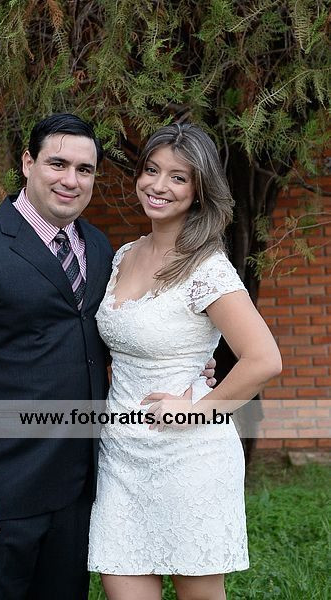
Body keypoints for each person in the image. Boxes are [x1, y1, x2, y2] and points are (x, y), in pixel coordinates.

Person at [0, 113, 216, 600]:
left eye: (85, 169)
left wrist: (185, 365)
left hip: (79, 490)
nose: (71, 180)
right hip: (0, 491)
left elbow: (113, 339)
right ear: (27, 163)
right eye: (57, 164)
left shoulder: (99, 248)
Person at [88, 123, 282, 600]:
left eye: (178, 177)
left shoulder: (205, 267)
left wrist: (195, 409)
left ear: (199, 191)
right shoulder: (124, 255)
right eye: (151, 170)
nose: (159, 185)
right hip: (121, 455)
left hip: (189, 456)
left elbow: (263, 359)